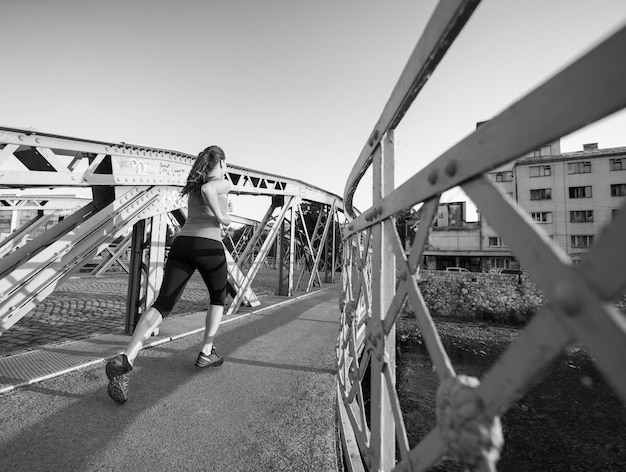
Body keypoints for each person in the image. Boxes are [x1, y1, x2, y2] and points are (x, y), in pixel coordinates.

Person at [105, 145, 232, 404]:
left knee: (163, 303)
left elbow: (204, 193)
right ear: (219, 164)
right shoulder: (220, 182)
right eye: (224, 164)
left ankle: (127, 357)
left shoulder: (194, 185)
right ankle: (207, 351)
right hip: (208, 245)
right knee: (218, 298)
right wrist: (223, 218)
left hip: (182, 243)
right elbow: (212, 191)